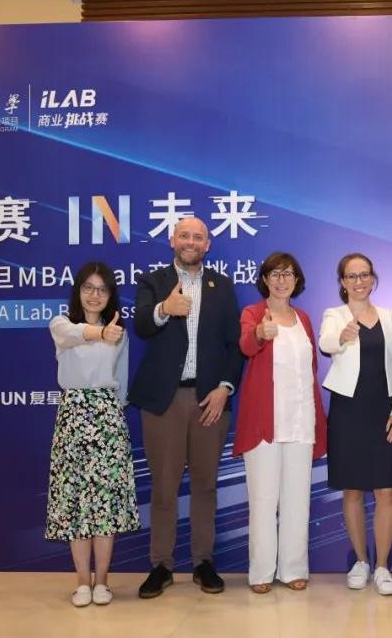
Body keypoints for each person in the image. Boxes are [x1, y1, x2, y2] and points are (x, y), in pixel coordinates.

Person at [128, 217, 243, 599]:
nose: (190, 242)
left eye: (198, 237)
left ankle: (202, 562)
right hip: (165, 399)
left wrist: (225, 388)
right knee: (164, 486)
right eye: (184, 235)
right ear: (172, 240)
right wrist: (165, 308)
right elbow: (142, 325)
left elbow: (235, 344)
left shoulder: (222, 286)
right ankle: (161, 565)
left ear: (207, 245)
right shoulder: (153, 281)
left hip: (210, 400)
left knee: (205, 485)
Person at [45, 261, 139, 607]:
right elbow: (72, 335)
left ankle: (102, 583)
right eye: (88, 288)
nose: (95, 295)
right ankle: (82, 583)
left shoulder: (119, 333)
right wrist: (100, 334)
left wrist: (115, 417)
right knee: (75, 504)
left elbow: (122, 381)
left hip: (108, 418)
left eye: (102, 289)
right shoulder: (62, 325)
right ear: (78, 291)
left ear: (111, 294)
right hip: (72, 417)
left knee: (105, 505)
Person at [235, 252, 327, 594]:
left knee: (297, 500)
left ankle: (293, 569)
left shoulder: (303, 318)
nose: (281, 280)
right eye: (274, 274)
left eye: (288, 274)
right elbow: (246, 345)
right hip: (265, 423)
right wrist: (260, 333)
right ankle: (261, 571)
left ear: (296, 280)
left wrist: (316, 418)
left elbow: (312, 369)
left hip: (301, 421)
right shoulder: (253, 313)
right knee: (263, 500)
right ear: (264, 279)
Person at [319, 253, 392, 596]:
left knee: (386, 489)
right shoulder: (334, 315)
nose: (358, 281)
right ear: (343, 282)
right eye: (351, 276)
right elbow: (326, 343)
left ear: (373, 279)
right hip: (348, 410)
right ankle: (361, 561)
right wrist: (343, 336)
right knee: (353, 489)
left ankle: (382, 566)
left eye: (364, 275)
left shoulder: (390, 317)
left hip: (384, 411)